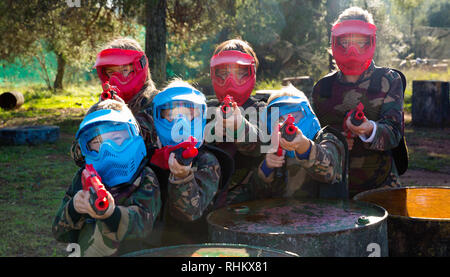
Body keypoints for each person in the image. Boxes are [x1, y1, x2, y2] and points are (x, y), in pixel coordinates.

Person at [312, 7, 406, 198]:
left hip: (381, 184)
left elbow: (395, 133)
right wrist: (335, 140)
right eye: (345, 42)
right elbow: (313, 136)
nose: (352, 51)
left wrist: (369, 129)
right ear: (335, 43)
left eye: (360, 42)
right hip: (334, 186)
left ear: (371, 42)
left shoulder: (388, 80)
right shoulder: (323, 87)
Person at [52, 100, 161, 257]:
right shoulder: (83, 178)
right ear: (85, 148)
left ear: (134, 135)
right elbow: (59, 233)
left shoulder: (144, 177)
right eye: (97, 143)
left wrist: (111, 214)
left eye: (116, 139)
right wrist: (74, 208)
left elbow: (143, 225)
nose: (108, 150)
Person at [146, 79, 223, 246]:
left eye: (188, 115)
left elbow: (191, 213)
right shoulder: (148, 158)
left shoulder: (206, 161)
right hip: (153, 246)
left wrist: (183, 177)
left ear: (200, 117)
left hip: (194, 246)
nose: (180, 123)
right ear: (158, 117)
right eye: (172, 115)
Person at [240, 85, 348, 200]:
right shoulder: (270, 148)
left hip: (324, 216)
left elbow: (329, 169)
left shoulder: (327, 139)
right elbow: (253, 193)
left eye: (294, 116)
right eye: (280, 119)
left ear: (308, 114)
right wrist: (267, 168)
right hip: (283, 216)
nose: (287, 124)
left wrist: (303, 146)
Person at [71, 37, 159, 167]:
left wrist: (123, 114)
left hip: (149, 180)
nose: (117, 79)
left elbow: (146, 149)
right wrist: (98, 114)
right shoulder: (104, 105)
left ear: (139, 68)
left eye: (124, 71)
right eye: (111, 73)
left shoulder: (158, 104)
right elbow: (79, 157)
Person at [208, 38, 267, 205]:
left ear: (251, 72)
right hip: (210, 201)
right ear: (214, 73)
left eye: (239, 72)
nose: (230, 81)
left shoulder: (261, 109)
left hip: (249, 202)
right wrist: (214, 128)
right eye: (224, 73)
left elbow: (262, 145)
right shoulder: (207, 109)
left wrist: (239, 126)